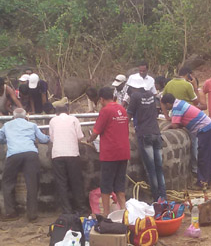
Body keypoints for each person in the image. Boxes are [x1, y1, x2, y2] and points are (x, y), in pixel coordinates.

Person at [0, 108, 49, 221]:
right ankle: (32, 214)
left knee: (7, 182)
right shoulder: (32, 125)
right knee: (32, 184)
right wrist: (48, 137)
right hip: (31, 154)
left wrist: (9, 140)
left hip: (13, 154)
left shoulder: (7, 125)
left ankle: (11, 212)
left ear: (13, 116)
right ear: (26, 116)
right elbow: (43, 139)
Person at [84, 87, 130, 218]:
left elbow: (96, 132)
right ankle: (124, 212)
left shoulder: (105, 111)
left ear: (102, 99)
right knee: (119, 185)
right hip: (124, 152)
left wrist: (88, 140)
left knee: (106, 185)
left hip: (110, 154)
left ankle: (106, 213)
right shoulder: (122, 109)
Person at [161, 93, 211, 189]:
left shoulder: (177, 107)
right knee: (205, 156)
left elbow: (175, 125)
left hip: (205, 129)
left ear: (168, 104)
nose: (165, 108)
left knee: (203, 157)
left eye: (165, 106)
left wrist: (165, 128)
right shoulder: (180, 103)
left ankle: (202, 183)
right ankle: (205, 181)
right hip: (207, 127)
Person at [128, 86, 166, 202]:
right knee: (159, 167)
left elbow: (128, 115)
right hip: (156, 133)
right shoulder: (150, 94)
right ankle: (163, 197)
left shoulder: (135, 96)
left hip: (144, 135)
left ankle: (156, 198)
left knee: (151, 169)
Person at [49, 102, 86, 215]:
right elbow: (80, 137)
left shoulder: (52, 121)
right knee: (76, 182)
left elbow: (52, 138)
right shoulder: (74, 119)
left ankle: (66, 211)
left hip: (57, 154)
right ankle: (81, 209)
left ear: (56, 113)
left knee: (61, 183)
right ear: (68, 112)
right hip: (72, 154)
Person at [163, 66, 201, 176]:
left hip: (174, 115)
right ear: (188, 75)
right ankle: (195, 169)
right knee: (195, 143)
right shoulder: (187, 85)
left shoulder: (169, 84)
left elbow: (162, 99)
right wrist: (195, 87)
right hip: (188, 117)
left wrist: (166, 116)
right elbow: (196, 102)